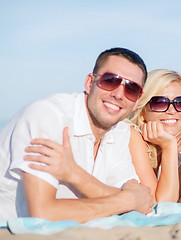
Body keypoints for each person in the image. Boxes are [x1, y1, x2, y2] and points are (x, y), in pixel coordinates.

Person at [0, 47, 154, 222]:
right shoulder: (49, 117)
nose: (118, 94)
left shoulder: (120, 131)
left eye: (131, 89)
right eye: (110, 81)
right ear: (89, 83)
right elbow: (42, 214)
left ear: (137, 102)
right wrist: (126, 201)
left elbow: (139, 199)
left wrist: (74, 174)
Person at [128, 69, 181, 202]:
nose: (172, 111)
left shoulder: (178, 145)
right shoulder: (132, 136)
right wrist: (168, 147)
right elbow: (162, 204)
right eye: (160, 102)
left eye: (180, 102)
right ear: (142, 111)